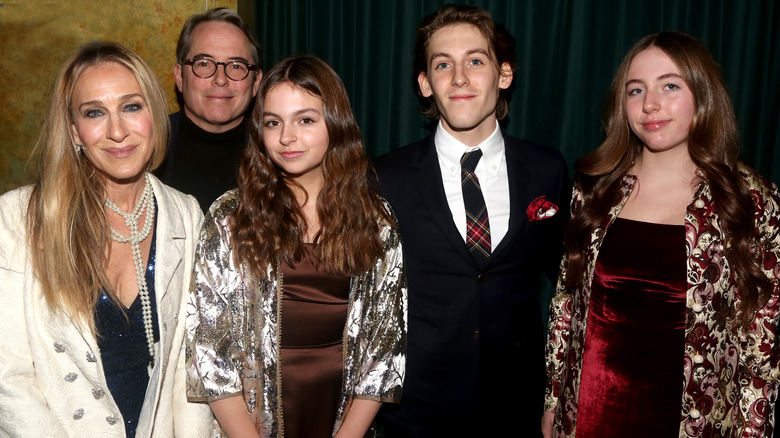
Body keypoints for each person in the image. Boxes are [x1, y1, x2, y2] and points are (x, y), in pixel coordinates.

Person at [543, 31, 780, 438]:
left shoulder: (750, 201)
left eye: (670, 86)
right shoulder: (595, 190)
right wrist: (552, 402)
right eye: (636, 90)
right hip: (588, 419)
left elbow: (760, 339)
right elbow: (565, 306)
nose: (650, 104)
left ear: (703, 95)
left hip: (696, 423)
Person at [186, 55, 407, 438]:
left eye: (305, 119)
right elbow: (209, 352)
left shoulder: (375, 219)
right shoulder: (230, 216)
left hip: (343, 424)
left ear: (335, 124)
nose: (287, 136)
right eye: (273, 122)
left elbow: (383, 349)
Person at [374, 5, 569, 437]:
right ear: (425, 84)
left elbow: (567, 289)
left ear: (504, 74)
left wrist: (559, 394)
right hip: (415, 413)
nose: (459, 78)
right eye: (443, 64)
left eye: (475, 61)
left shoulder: (547, 170)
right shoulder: (384, 177)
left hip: (517, 411)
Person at [0, 42, 213, 437]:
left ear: (154, 113)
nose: (117, 131)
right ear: (74, 131)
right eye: (94, 112)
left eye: (132, 107)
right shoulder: (17, 219)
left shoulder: (186, 214)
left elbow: (191, 370)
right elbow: (7, 378)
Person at [155, 7, 262, 212]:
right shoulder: (144, 150)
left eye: (236, 66)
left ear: (256, 82)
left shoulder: (280, 155)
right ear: (180, 76)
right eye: (204, 63)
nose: (220, 79)